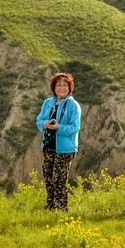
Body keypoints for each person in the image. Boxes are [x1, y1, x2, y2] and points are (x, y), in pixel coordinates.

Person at [35, 72, 82, 211]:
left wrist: (59, 127)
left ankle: (61, 210)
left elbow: (75, 127)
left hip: (65, 149)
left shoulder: (73, 105)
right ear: (54, 87)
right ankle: (50, 208)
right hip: (49, 146)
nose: (61, 88)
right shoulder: (48, 103)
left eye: (65, 85)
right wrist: (45, 124)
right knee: (48, 178)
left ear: (70, 87)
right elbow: (39, 120)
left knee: (59, 180)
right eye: (58, 85)